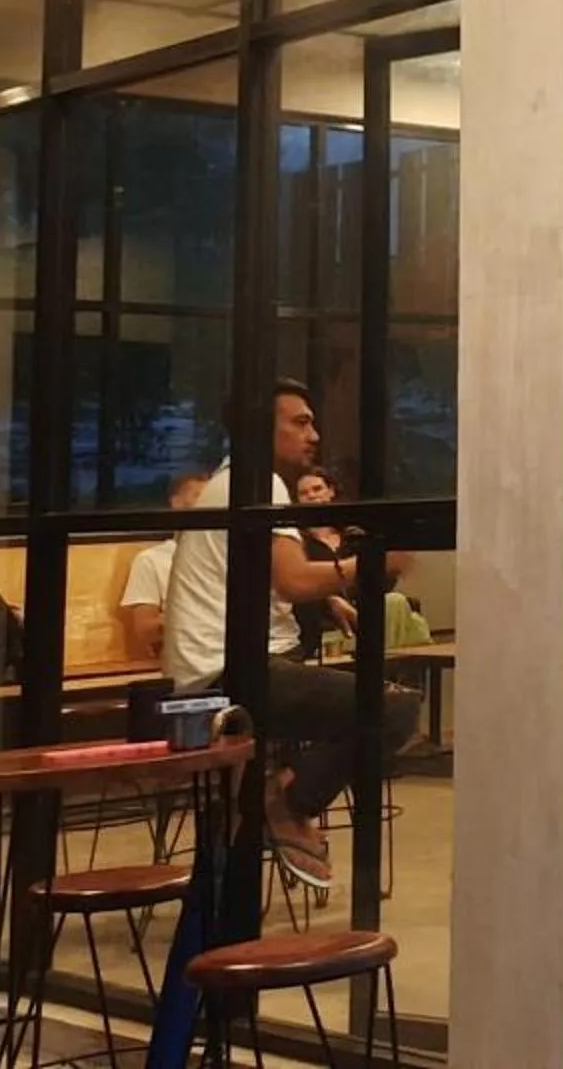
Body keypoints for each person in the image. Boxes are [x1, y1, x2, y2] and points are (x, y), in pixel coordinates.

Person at [160, 380, 419, 890]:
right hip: (226, 672)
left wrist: (332, 595)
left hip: (216, 669)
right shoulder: (259, 483)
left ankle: (261, 803)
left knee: (364, 706)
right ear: (261, 428)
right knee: (395, 708)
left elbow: (267, 578)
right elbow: (293, 580)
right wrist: (372, 563)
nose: (314, 435)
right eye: (300, 423)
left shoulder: (235, 481)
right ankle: (281, 803)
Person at [114, 470, 207, 665]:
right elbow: (145, 630)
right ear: (176, 503)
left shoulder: (226, 557)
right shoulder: (151, 560)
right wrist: (198, 618)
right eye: (199, 497)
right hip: (186, 659)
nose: (208, 506)